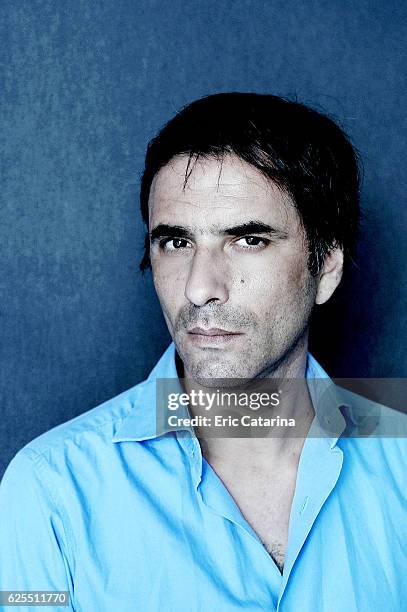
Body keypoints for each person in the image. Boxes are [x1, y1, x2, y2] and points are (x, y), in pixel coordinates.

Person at [0, 93, 405, 612]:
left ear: (325, 267)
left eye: (248, 240)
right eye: (175, 242)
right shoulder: (50, 489)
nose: (199, 287)